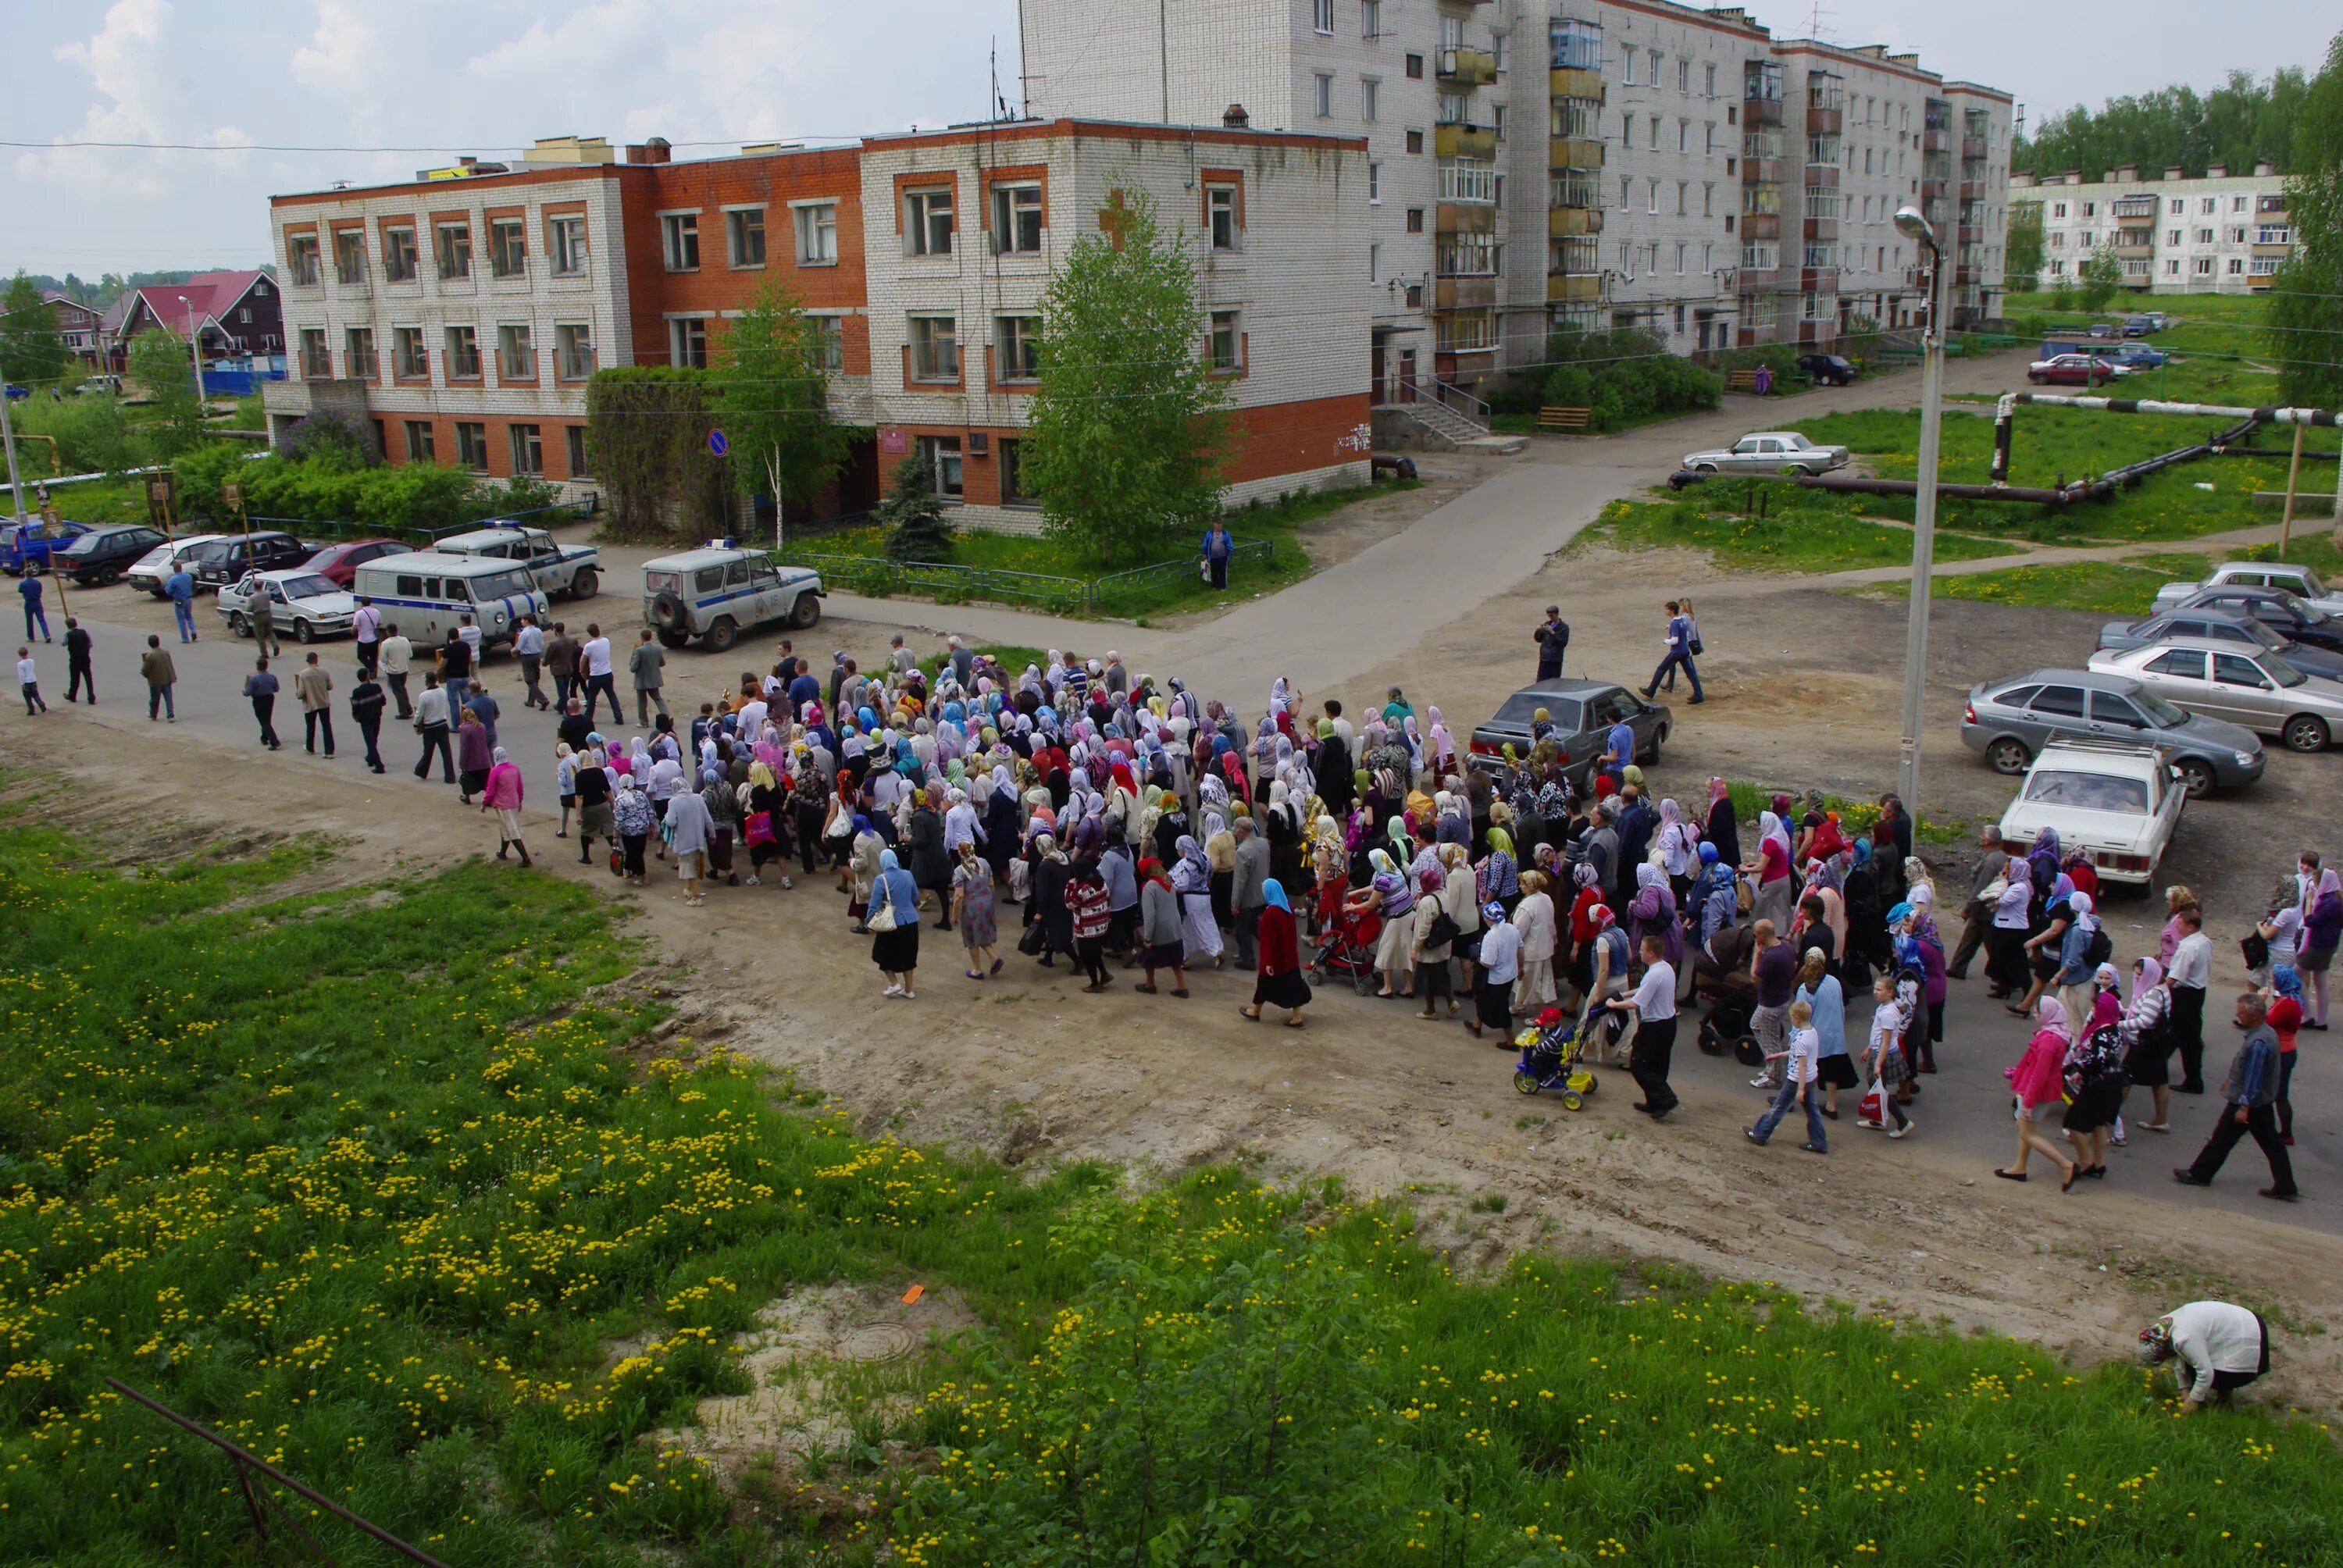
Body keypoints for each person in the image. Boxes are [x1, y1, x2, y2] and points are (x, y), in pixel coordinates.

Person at [2174, 992, 2296, 1199]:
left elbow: (2254, 1077)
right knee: (2266, 1143)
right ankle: (2285, 1185)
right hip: (2258, 1103)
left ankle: (2200, 1174)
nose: (2238, 1016)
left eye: (2241, 1013)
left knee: (2223, 1138)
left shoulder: (2258, 1043)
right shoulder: (2267, 1033)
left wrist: (2244, 1107)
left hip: (2249, 1103)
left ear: (2254, 1016)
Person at [1999, 996, 2077, 1187]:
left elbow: (2039, 1075)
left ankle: (2066, 1165)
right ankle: (2020, 1166)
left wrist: (2028, 1102)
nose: (2035, 1014)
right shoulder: (2056, 1034)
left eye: (2038, 1011)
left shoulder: (2048, 1041)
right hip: (2042, 1091)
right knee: (2026, 1129)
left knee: (2027, 1133)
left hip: (2037, 1093)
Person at [2136, 1301, 2272, 1411]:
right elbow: (2179, 1357)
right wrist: (2184, 1390)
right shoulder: (2164, 1327)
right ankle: (2224, 1395)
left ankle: (2225, 1398)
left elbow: (2206, 1372)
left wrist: (2194, 1399)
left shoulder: (2183, 1338)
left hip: (2250, 1338)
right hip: (2248, 1321)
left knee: (2195, 1369)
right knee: (2192, 1360)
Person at [1607, 932, 1678, 1119]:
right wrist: (1625, 994)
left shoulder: (1653, 975)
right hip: (1668, 1023)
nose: (1639, 953)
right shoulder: (1665, 968)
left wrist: (1614, 1004)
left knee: (1639, 1065)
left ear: (1651, 953)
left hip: (1655, 1026)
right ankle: (1654, 1102)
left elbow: (1636, 1004)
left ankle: (1665, 1098)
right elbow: (1644, 991)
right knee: (1658, 1065)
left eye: (1642, 950)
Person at [1746, 998, 1827, 1153]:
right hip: (1811, 1077)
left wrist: (1801, 1089)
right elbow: (1798, 1055)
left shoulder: (1802, 1039)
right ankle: (1819, 1142)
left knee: (1778, 1107)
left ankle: (1760, 1134)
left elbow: (1801, 1064)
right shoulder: (1812, 1033)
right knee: (1812, 1111)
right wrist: (1778, 1055)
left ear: (1797, 1018)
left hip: (1796, 1079)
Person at [1240, 882, 1314, 1027]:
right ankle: (1296, 1015)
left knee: (1264, 984)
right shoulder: (1289, 908)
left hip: (1275, 959)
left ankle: (1255, 1011)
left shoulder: (1270, 913)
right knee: (1292, 984)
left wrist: (1268, 962)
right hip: (1290, 956)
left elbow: (1268, 941)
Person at [1796, 949, 1856, 1119]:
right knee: (1831, 1070)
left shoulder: (1805, 989)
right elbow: (1840, 1007)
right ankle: (1832, 1104)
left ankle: (1795, 1098)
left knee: (1801, 1068)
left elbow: (1800, 1017)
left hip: (1814, 1036)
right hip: (1835, 1033)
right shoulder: (1834, 982)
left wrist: (1796, 1036)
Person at [2120, 955, 2176, 1135]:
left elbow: (2144, 1020)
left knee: (2125, 1078)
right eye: (2136, 974)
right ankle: (2161, 1120)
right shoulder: (2160, 988)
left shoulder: (2152, 993)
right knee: (2159, 1081)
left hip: (2144, 1044)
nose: (2136, 978)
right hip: (2155, 1043)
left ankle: (2108, 1114)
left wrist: (2118, 1024)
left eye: (2139, 975)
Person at [1947, 825, 2006, 980]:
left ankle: (2005, 977)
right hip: (1986, 908)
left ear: (1987, 841)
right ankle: (1957, 968)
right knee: (1970, 938)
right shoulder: (2000, 856)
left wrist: (1968, 908)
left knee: (1992, 944)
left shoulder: (1990, 862)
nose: (1980, 838)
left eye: (1982, 835)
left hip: (1985, 908)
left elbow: (1981, 888)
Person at [1863, 971, 1917, 1139]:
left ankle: (1903, 1122)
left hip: (1883, 1055)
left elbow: (1886, 1041)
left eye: (1879, 989)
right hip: (1879, 1052)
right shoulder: (1884, 1007)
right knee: (1877, 1088)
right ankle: (1878, 1119)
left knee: (1879, 1090)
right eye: (1875, 989)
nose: (1875, 992)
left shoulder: (1887, 1013)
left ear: (1890, 992)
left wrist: (1878, 1063)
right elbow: (1878, 1035)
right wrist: (1869, 1048)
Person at [2166, 905, 2212, 1093]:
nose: (2177, 926)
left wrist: (2157, 991)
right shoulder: (2204, 941)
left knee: (2176, 1034)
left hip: (2184, 994)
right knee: (2188, 1037)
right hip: (2197, 992)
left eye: (2181, 923)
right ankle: (2193, 1078)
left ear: (2191, 926)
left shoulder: (2187, 947)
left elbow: (2175, 977)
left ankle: (2192, 1079)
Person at [1135, 857, 1189, 998]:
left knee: (1149, 957)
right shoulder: (1168, 882)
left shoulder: (1149, 887)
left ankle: (1150, 984)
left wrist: (1147, 937)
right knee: (1175, 959)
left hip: (1160, 928)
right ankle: (1181, 986)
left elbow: (1150, 916)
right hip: (1175, 927)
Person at [1410, 868, 1457, 1021]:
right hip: (1444, 942)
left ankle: (1430, 1010)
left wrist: (1415, 948)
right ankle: (1451, 1001)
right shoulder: (1443, 895)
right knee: (1442, 974)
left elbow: (1423, 929)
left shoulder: (1426, 902)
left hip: (1430, 946)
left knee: (1426, 978)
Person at [1469, 900, 1520, 1041]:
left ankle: (1510, 1041)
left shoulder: (1491, 936)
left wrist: (1476, 956)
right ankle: (1476, 1026)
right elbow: (1520, 949)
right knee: (1483, 1001)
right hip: (1510, 974)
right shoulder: (1512, 928)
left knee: (1498, 1009)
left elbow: (1488, 963)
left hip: (1496, 979)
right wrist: (1520, 968)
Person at [954, 842, 1004, 981]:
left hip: (971, 907)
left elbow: (959, 895)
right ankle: (994, 959)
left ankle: (977, 970)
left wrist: (954, 914)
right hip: (986, 903)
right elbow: (992, 884)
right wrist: (989, 899)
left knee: (971, 938)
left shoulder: (960, 871)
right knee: (981, 932)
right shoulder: (984, 863)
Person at [1641, 600, 1703, 704]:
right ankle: (1698, 694)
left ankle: (1651, 690)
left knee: (1661, 669)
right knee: (1691, 673)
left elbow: (1675, 640)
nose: (1665, 611)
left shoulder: (1677, 621)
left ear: (1672, 610)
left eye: (1667, 609)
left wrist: (1665, 641)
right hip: (1685, 650)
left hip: (1677, 651)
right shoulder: (1684, 620)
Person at [1231, 816, 1271, 968]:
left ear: (1241, 832)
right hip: (1262, 892)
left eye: (1235, 830)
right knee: (1254, 924)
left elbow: (1240, 881)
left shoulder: (1242, 851)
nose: (1234, 833)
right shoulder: (1263, 844)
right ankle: (1273, 948)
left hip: (1247, 897)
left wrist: (1235, 903)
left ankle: (1248, 959)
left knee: (1243, 928)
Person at [665, 779, 713, 905]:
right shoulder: (698, 798)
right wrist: (712, 834)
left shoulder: (674, 802)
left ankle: (696, 897)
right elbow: (708, 819)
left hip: (683, 840)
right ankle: (689, 889)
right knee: (693, 865)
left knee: (688, 869)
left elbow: (670, 822)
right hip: (698, 839)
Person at [482, 747, 532, 868]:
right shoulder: (514, 769)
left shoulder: (495, 771)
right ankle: (502, 853)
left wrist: (484, 803)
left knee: (512, 831)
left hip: (503, 806)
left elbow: (491, 790)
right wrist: (520, 801)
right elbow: (519, 787)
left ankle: (526, 858)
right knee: (506, 829)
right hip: (514, 803)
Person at [574, 743, 613, 868]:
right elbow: (607, 791)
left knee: (586, 831)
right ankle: (616, 850)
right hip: (602, 804)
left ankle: (586, 857)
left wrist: (578, 814)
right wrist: (612, 804)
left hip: (588, 807)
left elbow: (579, 797)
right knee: (608, 829)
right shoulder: (599, 772)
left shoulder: (580, 776)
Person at [612, 770, 654, 886]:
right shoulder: (641, 795)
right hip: (642, 829)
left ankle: (643, 876)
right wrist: (651, 826)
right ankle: (627, 869)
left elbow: (619, 820)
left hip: (628, 832)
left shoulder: (620, 800)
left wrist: (616, 835)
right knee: (638, 852)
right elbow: (649, 811)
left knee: (634, 853)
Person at [412, 673, 455, 782]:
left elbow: (419, 713)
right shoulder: (442, 692)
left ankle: (421, 771)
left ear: (427, 681)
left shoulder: (424, 695)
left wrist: (416, 724)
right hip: (442, 724)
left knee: (428, 751)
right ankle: (450, 776)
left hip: (430, 727)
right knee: (446, 752)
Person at [293, 651, 334, 756]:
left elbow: (301, 692)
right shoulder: (324, 671)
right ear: (316, 660)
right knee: (326, 726)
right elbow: (330, 686)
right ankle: (329, 751)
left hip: (310, 703)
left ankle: (310, 747)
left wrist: (298, 695)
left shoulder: (303, 674)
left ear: (308, 661)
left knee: (310, 726)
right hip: (323, 702)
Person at [350, 666, 387, 772]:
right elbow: (383, 701)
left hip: (365, 719)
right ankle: (371, 758)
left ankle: (379, 764)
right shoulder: (376, 687)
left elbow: (355, 707)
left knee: (370, 741)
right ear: (367, 676)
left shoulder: (357, 692)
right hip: (377, 716)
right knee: (373, 739)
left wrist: (356, 716)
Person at [580, 624, 617, 724]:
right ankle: (618, 716)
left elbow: (583, 660)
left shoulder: (589, 646)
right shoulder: (606, 641)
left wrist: (582, 670)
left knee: (592, 697)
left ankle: (588, 717)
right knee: (611, 695)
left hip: (596, 675)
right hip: (607, 672)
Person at [455, 704, 493, 803]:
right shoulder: (482, 726)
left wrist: (462, 762)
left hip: (472, 761)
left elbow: (464, 748)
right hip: (484, 759)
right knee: (486, 781)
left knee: (468, 780)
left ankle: (467, 797)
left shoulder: (465, 729)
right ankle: (489, 798)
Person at [630, 629, 668, 727]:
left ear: (642, 638)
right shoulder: (657, 649)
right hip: (654, 679)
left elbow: (633, 668)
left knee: (642, 702)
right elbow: (662, 663)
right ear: (651, 637)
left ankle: (644, 722)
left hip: (642, 680)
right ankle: (666, 717)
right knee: (658, 699)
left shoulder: (639, 650)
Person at [242, 656, 280, 748]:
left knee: (263, 721)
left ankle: (274, 741)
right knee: (267, 718)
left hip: (259, 700)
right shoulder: (272, 677)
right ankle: (264, 737)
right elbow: (276, 689)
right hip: (270, 698)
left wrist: (244, 689)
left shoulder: (254, 679)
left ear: (257, 667)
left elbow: (247, 693)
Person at [379, 623, 413, 719]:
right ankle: (408, 708)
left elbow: (383, 659)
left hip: (393, 671)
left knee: (398, 691)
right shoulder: (405, 640)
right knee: (402, 689)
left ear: (388, 632)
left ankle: (403, 711)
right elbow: (410, 655)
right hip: (404, 668)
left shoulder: (386, 643)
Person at [513, 615, 547, 709]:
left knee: (529, 680)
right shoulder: (538, 631)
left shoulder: (524, 633)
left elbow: (519, 647)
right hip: (537, 655)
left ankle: (543, 700)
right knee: (535, 678)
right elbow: (541, 643)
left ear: (527, 621)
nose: (521, 621)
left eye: (523, 620)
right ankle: (530, 701)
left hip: (527, 657)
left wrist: (513, 650)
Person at [139, 635, 176, 722]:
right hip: (167, 679)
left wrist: (147, 676)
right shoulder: (165, 652)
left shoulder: (150, 655)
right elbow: (170, 665)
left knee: (154, 700)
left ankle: (153, 714)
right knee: (169, 699)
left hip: (155, 681)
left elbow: (145, 670)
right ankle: (171, 716)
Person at [164, 561, 198, 643]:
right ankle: (193, 631)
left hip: (179, 600)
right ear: (181, 568)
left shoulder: (173, 579)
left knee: (181, 620)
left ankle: (185, 638)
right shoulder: (188, 576)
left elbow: (168, 591)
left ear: (174, 570)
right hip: (189, 599)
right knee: (189, 616)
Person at [1533, 606, 1569, 681]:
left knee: (1553, 681)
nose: (1550, 617)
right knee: (1541, 681)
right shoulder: (1547, 624)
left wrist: (1553, 633)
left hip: (1555, 659)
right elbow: (1539, 639)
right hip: (1544, 658)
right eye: (1548, 615)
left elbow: (1563, 643)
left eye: (1551, 615)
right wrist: (1538, 631)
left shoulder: (1564, 628)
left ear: (1556, 614)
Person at [62, 618, 93, 704]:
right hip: (85, 658)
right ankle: (91, 697)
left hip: (75, 659)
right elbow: (90, 644)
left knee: (75, 678)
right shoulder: (85, 632)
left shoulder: (68, 634)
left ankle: (72, 695)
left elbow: (63, 643)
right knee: (88, 678)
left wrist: (67, 634)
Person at [352, 594, 381, 676]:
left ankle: (371, 668)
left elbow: (355, 626)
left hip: (363, 639)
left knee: (361, 656)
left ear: (362, 604)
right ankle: (374, 672)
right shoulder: (377, 612)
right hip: (374, 639)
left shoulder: (359, 614)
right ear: (370, 603)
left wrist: (353, 631)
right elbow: (380, 623)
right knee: (374, 657)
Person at [248, 581, 279, 657]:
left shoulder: (252, 597)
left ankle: (264, 653)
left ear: (254, 587)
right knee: (270, 632)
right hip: (268, 613)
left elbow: (249, 608)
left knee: (260, 636)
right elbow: (268, 593)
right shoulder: (267, 594)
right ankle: (275, 645)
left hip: (258, 615)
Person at [1200, 519, 1234, 589]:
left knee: (1222, 572)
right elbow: (1205, 544)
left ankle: (1223, 586)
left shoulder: (1225, 533)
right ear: (1214, 524)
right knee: (1214, 572)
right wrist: (1205, 553)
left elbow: (1229, 544)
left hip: (1223, 556)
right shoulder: (1210, 533)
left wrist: (1228, 552)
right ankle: (1215, 586)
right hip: (1213, 556)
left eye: (1221, 524)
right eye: (1218, 524)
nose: (1220, 525)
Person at [15, 646, 45, 715]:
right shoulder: (31, 661)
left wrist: (22, 684)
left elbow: (21, 675)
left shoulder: (20, 664)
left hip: (26, 682)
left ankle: (31, 710)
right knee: (35, 694)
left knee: (27, 697)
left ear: (20, 655)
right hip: (33, 680)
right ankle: (41, 704)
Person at [20, 573, 49, 642]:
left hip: (29, 603)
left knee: (29, 621)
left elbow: (20, 590)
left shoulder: (23, 583)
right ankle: (47, 635)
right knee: (42, 620)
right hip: (37, 602)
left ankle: (31, 637)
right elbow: (40, 590)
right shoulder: (37, 583)